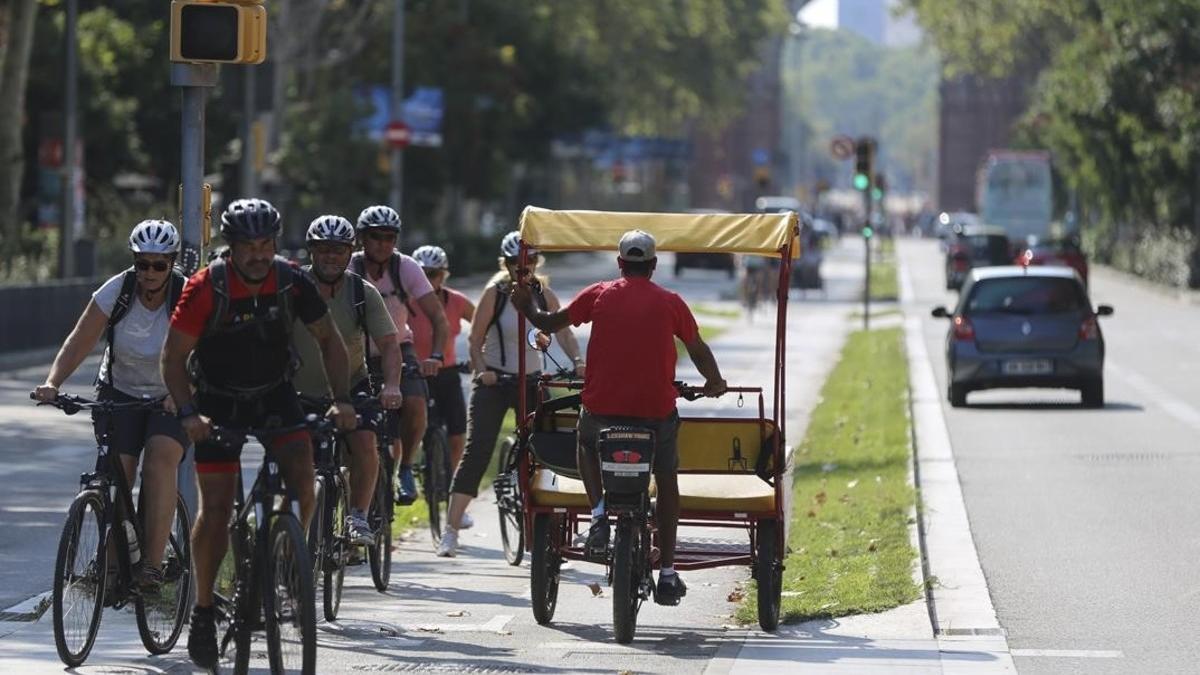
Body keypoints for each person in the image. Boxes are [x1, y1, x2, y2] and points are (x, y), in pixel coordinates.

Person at [161, 198, 357, 669]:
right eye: (248, 246)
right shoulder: (206, 288)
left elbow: (329, 340)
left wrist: (343, 399)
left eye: (266, 244)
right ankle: (205, 610)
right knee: (217, 508)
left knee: (302, 475)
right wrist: (188, 412)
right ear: (231, 247)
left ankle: (290, 559)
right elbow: (171, 358)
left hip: (274, 394)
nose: (259, 254)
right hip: (218, 401)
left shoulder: (292, 280)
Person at [511, 229, 727, 606]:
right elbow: (697, 348)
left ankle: (597, 517)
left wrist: (527, 306)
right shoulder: (671, 302)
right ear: (654, 265)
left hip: (602, 413)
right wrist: (715, 381)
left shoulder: (598, 294)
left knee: (584, 439)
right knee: (666, 477)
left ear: (620, 264)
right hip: (655, 416)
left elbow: (548, 323)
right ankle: (669, 571)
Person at [33, 220, 190, 591]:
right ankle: (114, 563)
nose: (149, 273)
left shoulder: (186, 295)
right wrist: (53, 383)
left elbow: (207, 351)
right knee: (118, 472)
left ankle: (152, 565)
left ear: (172, 263)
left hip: (170, 394)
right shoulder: (117, 290)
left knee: (160, 457)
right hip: (119, 392)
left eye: (158, 265)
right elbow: (80, 339)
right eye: (142, 263)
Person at [436, 231, 585, 557]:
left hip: (531, 382)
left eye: (529, 261)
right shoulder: (496, 293)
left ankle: (543, 525)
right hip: (495, 382)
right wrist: (481, 371)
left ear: (536, 262)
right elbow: (474, 340)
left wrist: (577, 362)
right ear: (505, 264)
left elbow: (564, 332)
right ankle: (451, 530)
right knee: (478, 451)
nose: (523, 267)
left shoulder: (544, 295)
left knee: (544, 450)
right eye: (515, 262)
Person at [294, 215, 404, 544]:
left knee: (365, 442)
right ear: (311, 251)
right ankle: (290, 537)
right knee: (294, 457)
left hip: (351, 386)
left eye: (339, 250)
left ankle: (357, 515)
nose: (331, 256)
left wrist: (392, 384)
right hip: (299, 389)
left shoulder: (361, 292)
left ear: (350, 252)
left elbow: (389, 346)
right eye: (323, 249)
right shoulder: (294, 288)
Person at [350, 205, 450, 506]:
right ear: (361, 238)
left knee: (416, 401)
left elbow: (438, 319)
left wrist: (434, 355)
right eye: (376, 237)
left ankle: (405, 468)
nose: (383, 244)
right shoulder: (349, 267)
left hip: (398, 347)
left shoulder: (405, 267)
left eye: (390, 238)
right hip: (355, 352)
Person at [409, 245, 475, 526]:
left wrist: (478, 358)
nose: (428, 279)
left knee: (458, 435)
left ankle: (449, 486)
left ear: (443, 275)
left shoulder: (456, 301)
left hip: (447, 374)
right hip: (414, 374)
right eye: (421, 274)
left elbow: (486, 325)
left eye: (433, 274)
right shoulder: (404, 301)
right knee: (418, 429)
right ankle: (412, 473)